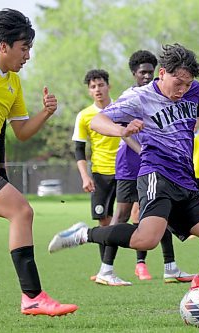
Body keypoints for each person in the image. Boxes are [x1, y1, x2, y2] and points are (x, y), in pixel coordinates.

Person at [48, 43, 199, 324]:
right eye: (178, 82)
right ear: (162, 73)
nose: (183, 89)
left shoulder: (193, 91)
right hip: (155, 177)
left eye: (187, 84)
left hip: (186, 182)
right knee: (145, 240)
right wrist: (121, 130)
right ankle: (83, 234)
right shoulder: (139, 98)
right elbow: (98, 122)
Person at [0, 8, 77, 316]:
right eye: (24, 47)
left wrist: (46, 113)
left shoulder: (12, 83)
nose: (27, 55)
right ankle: (32, 296)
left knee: (21, 212)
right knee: (21, 211)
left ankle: (32, 297)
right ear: (4, 45)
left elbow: (22, 132)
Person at [111, 49, 194, 283]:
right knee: (126, 215)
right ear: (134, 74)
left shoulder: (168, 94)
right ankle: (107, 267)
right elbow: (121, 129)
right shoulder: (131, 96)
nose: (147, 77)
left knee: (158, 215)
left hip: (157, 165)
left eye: (150, 72)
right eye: (142, 73)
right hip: (130, 164)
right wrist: (142, 149)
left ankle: (167, 266)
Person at [72, 69, 130, 286]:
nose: (97, 89)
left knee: (123, 218)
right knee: (104, 221)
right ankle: (106, 269)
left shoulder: (121, 108)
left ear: (109, 86)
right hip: (100, 175)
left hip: (125, 172)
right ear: (89, 91)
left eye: (100, 85)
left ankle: (109, 269)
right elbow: (79, 149)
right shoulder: (85, 115)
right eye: (93, 86)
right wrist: (85, 176)